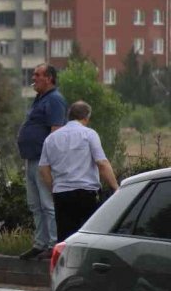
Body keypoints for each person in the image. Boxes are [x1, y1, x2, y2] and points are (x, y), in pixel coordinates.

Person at [38, 101, 120, 242]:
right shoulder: (89, 134)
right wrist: (116, 188)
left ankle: (65, 263)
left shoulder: (51, 138)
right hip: (86, 194)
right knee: (87, 238)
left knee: (65, 239)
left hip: (61, 195)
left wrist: (54, 189)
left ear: (69, 116)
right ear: (86, 118)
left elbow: (43, 168)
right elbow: (102, 163)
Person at [17, 64, 67, 260]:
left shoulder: (54, 100)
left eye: (37, 75)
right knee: (35, 205)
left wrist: (48, 162)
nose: (33, 78)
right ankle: (40, 243)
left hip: (43, 161)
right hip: (31, 159)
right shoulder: (40, 99)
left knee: (47, 204)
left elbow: (56, 132)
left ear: (49, 78)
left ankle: (53, 243)